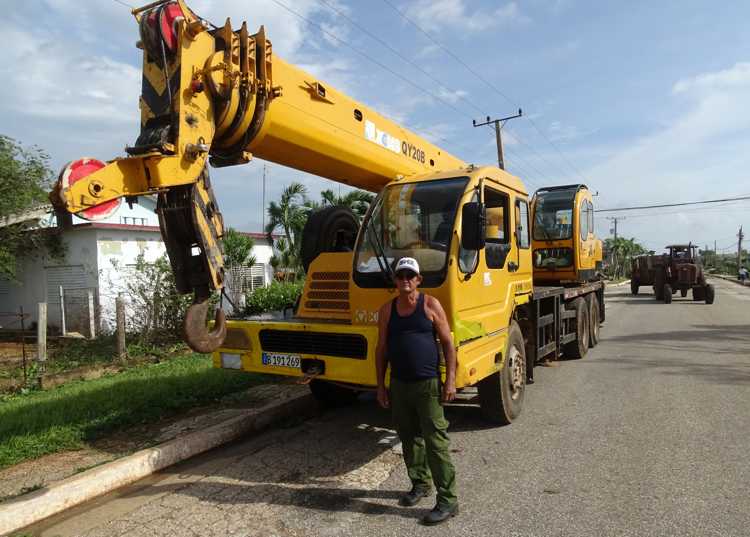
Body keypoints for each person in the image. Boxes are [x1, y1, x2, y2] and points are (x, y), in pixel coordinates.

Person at [375, 257, 458, 525]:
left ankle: (448, 500)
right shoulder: (387, 310)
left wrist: (450, 380)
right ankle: (420, 484)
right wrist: (381, 386)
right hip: (399, 385)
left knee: (435, 442)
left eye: (411, 275)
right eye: (401, 276)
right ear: (395, 280)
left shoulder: (431, 305)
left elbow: (447, 344)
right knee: (408, 438)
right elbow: (381, 349)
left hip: (428, 385)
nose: (406, 280)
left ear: (419, 280)